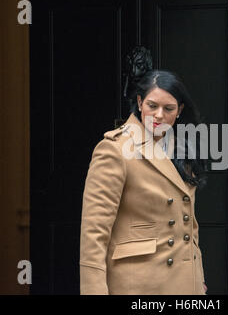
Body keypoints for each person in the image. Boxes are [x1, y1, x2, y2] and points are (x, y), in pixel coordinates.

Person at [79, 69, 208, 295]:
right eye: (152, 106)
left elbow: (189, 225)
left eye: (168, 109)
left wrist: (197, 277)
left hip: (185, 284)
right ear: (139, 103)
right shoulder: (115, 148)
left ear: (179, 111)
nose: (159, 115)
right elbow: (94, 232)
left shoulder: (183, 150)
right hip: (139, 284)